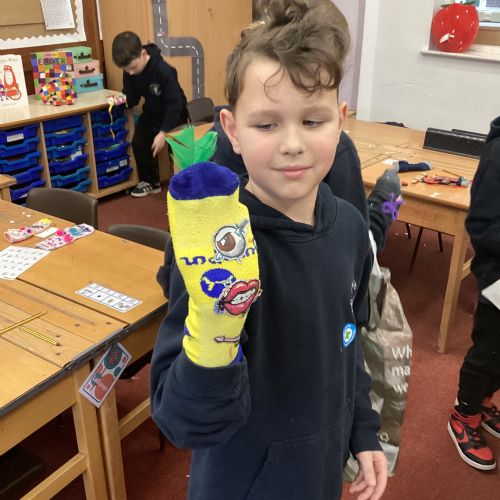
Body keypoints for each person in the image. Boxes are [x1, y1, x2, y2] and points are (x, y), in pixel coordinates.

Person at [150, 1, 388, 499]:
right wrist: (215, 328)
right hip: (241, 484)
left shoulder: (348, 228)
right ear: (232, 130)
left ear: (341, 122)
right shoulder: (216, 250)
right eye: (266, 125)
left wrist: (362, 428)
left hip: (321, 473)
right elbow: (180, 420)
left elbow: (347, 339)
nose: (292, 144)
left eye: (313, 120)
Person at [448, 115, 500, 471]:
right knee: (489, 348)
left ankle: (482, 402)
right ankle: (463, 414)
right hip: (498, 275)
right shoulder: (498, 155)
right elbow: (482, 224)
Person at [112, 31, 188, 197]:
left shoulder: (163, 71)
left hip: (175, 112)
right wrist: (122, 99)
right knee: (139, 143)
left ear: (143, 54)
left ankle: (184, 183)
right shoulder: (130, 70)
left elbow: (176, 103)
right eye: (126, 70)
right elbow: (132, 97)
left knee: (177, 150)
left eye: (133, 68)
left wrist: (163, 132)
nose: (130, 73)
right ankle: (150, 181)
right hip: (153, 112)